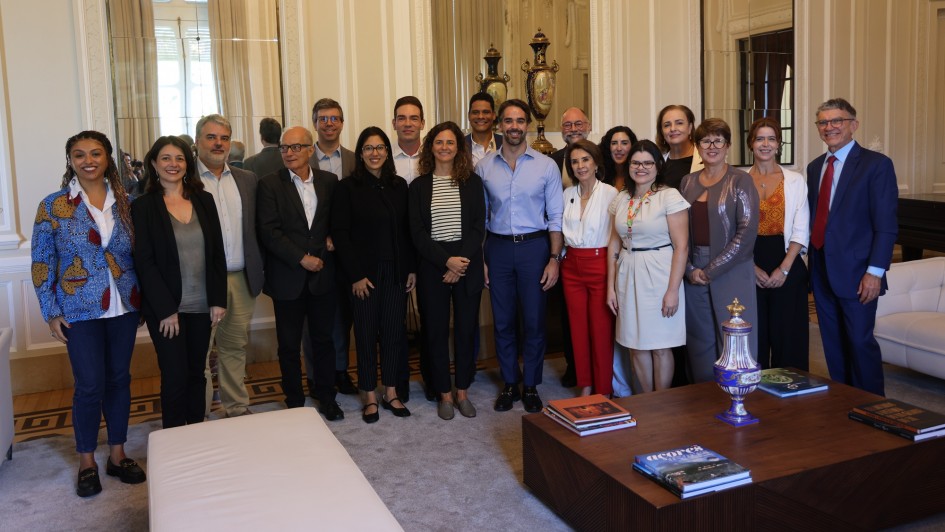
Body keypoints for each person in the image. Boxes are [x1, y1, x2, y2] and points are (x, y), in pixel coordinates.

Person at [31, 130, 145, 497]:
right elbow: (42, 262)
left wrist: (145, 301)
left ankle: (117, 454)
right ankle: (86, 461)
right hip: (78, 310)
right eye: (79, 155)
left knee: (119, 380)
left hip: (124, 306)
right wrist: (50, 312)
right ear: (70, 161)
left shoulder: (127, 201)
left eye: (96, 153)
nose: (88, 160)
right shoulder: (53, 205)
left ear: (108, 157)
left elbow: (140, 255)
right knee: (89, 385)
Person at [132, 136, 227, 429]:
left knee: (196, 373)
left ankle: (196, 431)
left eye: (179, 158)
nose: (173, 164)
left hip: (202, 305)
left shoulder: (204, 200)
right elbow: (144, 263)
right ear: (153, 164)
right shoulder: (144, 206)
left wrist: (218, 300)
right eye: (166, 158)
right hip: (167, 309)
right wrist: (165, 309)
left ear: (188, 164)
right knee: (174, 374)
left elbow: (216, 254)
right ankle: (173, 437)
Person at [478, 99, 564, 413]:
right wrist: (483, 260)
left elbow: (555, 217)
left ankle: (530, 385)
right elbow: (481, 219)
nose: (514, 127)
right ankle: (510, 383)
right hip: (497, 248)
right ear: (499, 125)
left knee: (534, 321)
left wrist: (554, 258)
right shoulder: (484, 166)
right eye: (508, 121)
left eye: (519, 121)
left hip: (534, 247)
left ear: (526, 124)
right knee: (502, 321)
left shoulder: (546, 165)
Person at [807, 98, 898, 395]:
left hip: (859, 272)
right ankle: (844, 403)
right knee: (832, 342)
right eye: (823, 122)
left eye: (837, 121)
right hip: (821, 268)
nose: (830, 127)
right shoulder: (815, 167)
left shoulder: (876, 165)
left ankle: (874, 406)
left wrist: (875, 272)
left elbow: (885, 224)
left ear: (853, 125)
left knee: (859, 341)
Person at [256, 126, 343, 420]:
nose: (289, 153)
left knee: (323, 340)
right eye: (285, 148)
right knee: (289, 346)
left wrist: (332, 236)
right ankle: (294, 401)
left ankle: (328, 397)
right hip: (287, 277)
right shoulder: (269, 184)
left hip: (323, 278)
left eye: (295, 147)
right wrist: (301, 258)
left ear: (310, 150)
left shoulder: (330, 182)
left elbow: (339, 221)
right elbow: (269, 231)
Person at [331, 126, 416, 423]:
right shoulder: (347, 188)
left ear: (387, 152)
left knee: (393, 335)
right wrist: (355, 274)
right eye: (368, 148)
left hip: (395, 272)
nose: (375, 153)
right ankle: (368, 394)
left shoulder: (398, 185)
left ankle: (390, 391)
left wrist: (409, 269)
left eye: (380, 148)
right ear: (361, 153)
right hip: (363, 275)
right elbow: (340, 235)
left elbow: (407, 233)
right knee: (366, 336)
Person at [409, 121, 485, 420]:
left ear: (458, 148)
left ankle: (462, 390)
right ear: (431, 147)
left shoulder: (473, 183)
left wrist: (460, 261)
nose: (444, 147)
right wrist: (446, 262)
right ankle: (443, 392)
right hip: (433, 267)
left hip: (466, 265)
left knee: (466, 331)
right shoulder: (418, 186)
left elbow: (479, 226)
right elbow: (417, 233)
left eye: (450, 142)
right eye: (438, 142)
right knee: (435, 332)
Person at [679, 118, 759, 383]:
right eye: (705, 141)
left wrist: (711, 269)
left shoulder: (741, 181)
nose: (712, 146)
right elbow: (677, 231)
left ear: (728, 146)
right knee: (699, 337)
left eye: (718, 140)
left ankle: (736, 396)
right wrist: (690, 269)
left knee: (732, 338)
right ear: (697, 146)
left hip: (732, 268)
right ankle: (702, 398)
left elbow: (746, 234)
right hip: (693, 269)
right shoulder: (687, 182)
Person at [606, 140, 690, 392]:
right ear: (628, 165)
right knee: (635, 342)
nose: (641, 168)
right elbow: (613, 246)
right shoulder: (621, 198)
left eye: (647, 163)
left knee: (660, 345)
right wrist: (610, 287)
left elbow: (681, 247)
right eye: (635, 162)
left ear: (657, 165)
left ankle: (662, 402)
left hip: (660, 274)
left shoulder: (669, 196)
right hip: (628, 271)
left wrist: (673, 290)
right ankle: (646, 400)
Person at [196, 114, 264, 418]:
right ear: (198, 141)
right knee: (198, 353)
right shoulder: (185, 181)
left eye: (224, 137)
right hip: (199, 283)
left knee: (234, 347)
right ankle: (196, 413)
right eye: (211, 137)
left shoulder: (247, 179)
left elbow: (257, 229)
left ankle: (236, 408)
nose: (218, 143)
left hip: (240, 278)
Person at [747, 117, 810, 371]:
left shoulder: (795, 180)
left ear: (778, 144)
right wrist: (750, 268)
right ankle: (754, 394)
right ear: (751, 143)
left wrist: (784, 268)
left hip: (787, 260)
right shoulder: (738, 180)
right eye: (760, 138)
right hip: (748, 262)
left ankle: (791, 393)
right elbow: (731, 230)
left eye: (771, 138)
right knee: (755, 334)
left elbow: (800, 228)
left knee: (788, 334)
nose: (765, 144)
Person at [307, 98, 358, 396]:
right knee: (313, 321)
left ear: (341, 122)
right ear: (315, 123)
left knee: (343, 317)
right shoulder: (301, 157)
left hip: (347, 252)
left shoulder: (355, 159)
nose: (329, 123)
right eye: (323, 118)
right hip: (313, 253)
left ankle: (340, 371)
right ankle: (315, 376)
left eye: (334, 118)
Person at [560, 140, 618, 396]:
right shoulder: (567, 194)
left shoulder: (610, 194)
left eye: (585, 160)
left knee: (601, 330)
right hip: (571, 266)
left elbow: (616, 237)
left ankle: (603, 389)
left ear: (595, 163)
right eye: (575, 161)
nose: (580, 166)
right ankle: (584, 385)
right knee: (578, 330)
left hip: (600, 264)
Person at [547, 106, 590, 388]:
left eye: (578, 123)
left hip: (595, 247)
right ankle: (573, 365)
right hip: (564, 249)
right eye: (567, 125)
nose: (573, 129)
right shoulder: (552, 160)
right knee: (568, 312)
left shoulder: (599, 157)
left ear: (588, 125)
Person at [657, 104, 704, 189]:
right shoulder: (657, 164)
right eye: (667, 125)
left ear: (690, 127)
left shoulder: (706, 159)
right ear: (662, 131)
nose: (673, 129)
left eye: (679, 123)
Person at [391, 96, 426, 184]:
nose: (407, 124)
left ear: (422, 124)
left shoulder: (434, 155)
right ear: (394, 124)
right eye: (401, 118)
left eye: (414, 118)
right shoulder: (383, 157)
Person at [465, 92, 503, 166]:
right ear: (469, 116)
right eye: (475, 112)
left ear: (494, 115)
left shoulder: (505, 144)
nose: (480, 116)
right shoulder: (459, 146)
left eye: (486, 112)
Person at [599, 125, 639, 192]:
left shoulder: (639, 174)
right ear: (608, 147)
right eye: (614, 143)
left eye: (624, 143)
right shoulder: (601, 175)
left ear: (632, 146)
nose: (619, 148)